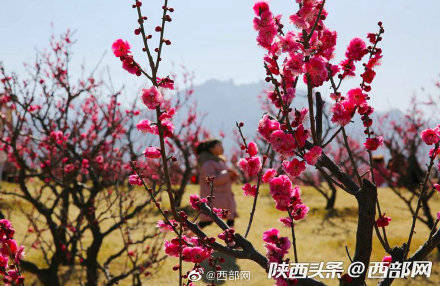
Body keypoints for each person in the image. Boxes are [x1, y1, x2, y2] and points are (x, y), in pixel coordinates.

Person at [196, 139, 238, 228]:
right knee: (206, 222)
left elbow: (225, 178)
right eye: (219, 145)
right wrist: (228, 174)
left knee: (230, 221)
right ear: (211, 148)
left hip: (224, 197)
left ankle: (232, 240)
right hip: (215, 197)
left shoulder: (219, 161)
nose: (222, 147)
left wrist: (232, 176)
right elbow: (211, 180)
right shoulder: (208, 163)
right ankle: (187, 236)